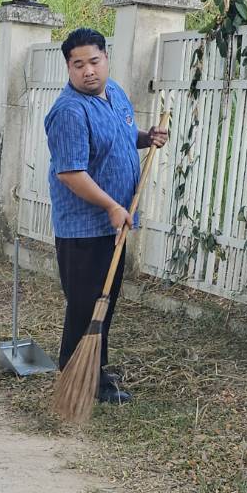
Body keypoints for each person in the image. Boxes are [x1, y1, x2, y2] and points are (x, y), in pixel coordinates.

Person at [43, 28, 167, 406]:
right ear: (68, 68)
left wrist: (148, 137)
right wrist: (112, 205)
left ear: (106, 59)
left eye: (94, 62)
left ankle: (94, 371)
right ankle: (76, 377)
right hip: (84, 228)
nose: (88, 71)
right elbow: (71, 173)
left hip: (114, 224)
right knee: (85, 304)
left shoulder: (115, 94)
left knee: (105, 300)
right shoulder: (68, 112)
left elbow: (122, 135)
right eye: (78, 65)